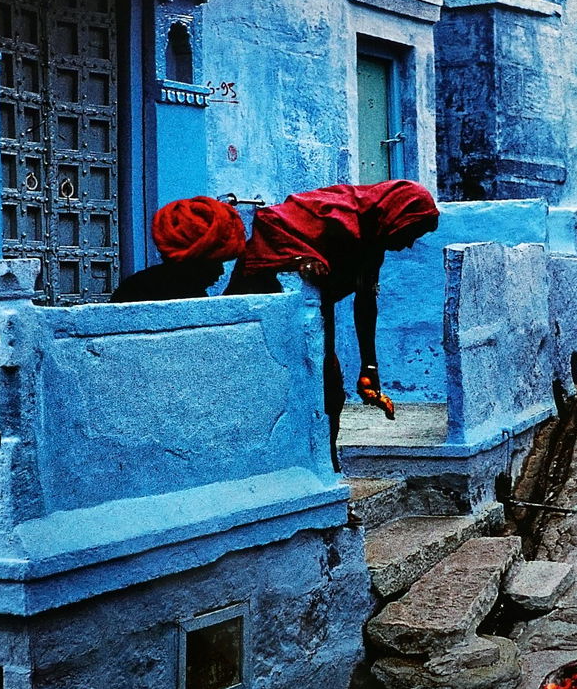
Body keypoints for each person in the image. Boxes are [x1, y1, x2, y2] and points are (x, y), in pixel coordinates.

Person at [224, 179, 440, 470]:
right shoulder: (337, 213)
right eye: (411, 232)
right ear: (396, 215)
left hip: (314, 318)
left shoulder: (371, 239)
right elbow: (272, 218)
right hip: (262, 310)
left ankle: (327, 468)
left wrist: (369, 370)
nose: (409, 243)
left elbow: (365, 300)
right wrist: (302, 256)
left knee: (331, 390)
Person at [110, 196, 246, 302]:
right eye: (214, 262)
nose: (221, 272)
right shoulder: (138, 291)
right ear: (192, 263)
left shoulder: (135, 286)